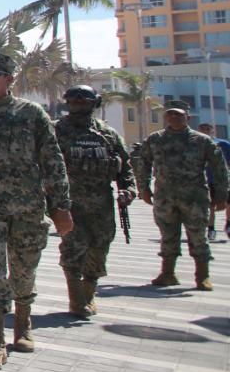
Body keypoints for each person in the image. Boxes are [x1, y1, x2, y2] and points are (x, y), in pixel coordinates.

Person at [0, 51, 73, 367]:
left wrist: (61, 205)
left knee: (24, 271)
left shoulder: (32, 114)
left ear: (9, 78)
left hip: (28, 207)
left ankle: (23, 323)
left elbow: (52, 160)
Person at [54, 85, 135, 317]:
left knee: (99, 248)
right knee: (72, 249)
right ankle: (76, 299)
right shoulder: (55, 131)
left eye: (84, 101)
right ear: (67, 103)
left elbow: (125, 167)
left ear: (94, 103)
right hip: (69, 203)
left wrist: (128, 190)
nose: (79, 104)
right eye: (74, 101)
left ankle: (89, 293)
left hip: (102, 204)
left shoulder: (107, 134)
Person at [134, 104, 229, 292]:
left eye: (178, 115)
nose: (174, 118)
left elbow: (220, 169)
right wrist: (143, 188)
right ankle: (167, 274)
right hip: (165, 197)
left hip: (194, 197)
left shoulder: (202, 141)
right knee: (168, 236)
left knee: (198, 236)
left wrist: (221, 194)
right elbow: (142, 164)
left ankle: (202, 276)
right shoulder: (155, 139)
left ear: (188, 117)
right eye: (170, 115)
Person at [196, 122, 230, 242]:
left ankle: (228, 223)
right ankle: (211, 229)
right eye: (202, 129)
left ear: (212, 131)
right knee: (210, 206)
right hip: (205, 181)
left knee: (227, 204)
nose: (205, 131)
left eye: (207, 128)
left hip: (223, 181)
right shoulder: (194, 144)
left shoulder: (223, 144)